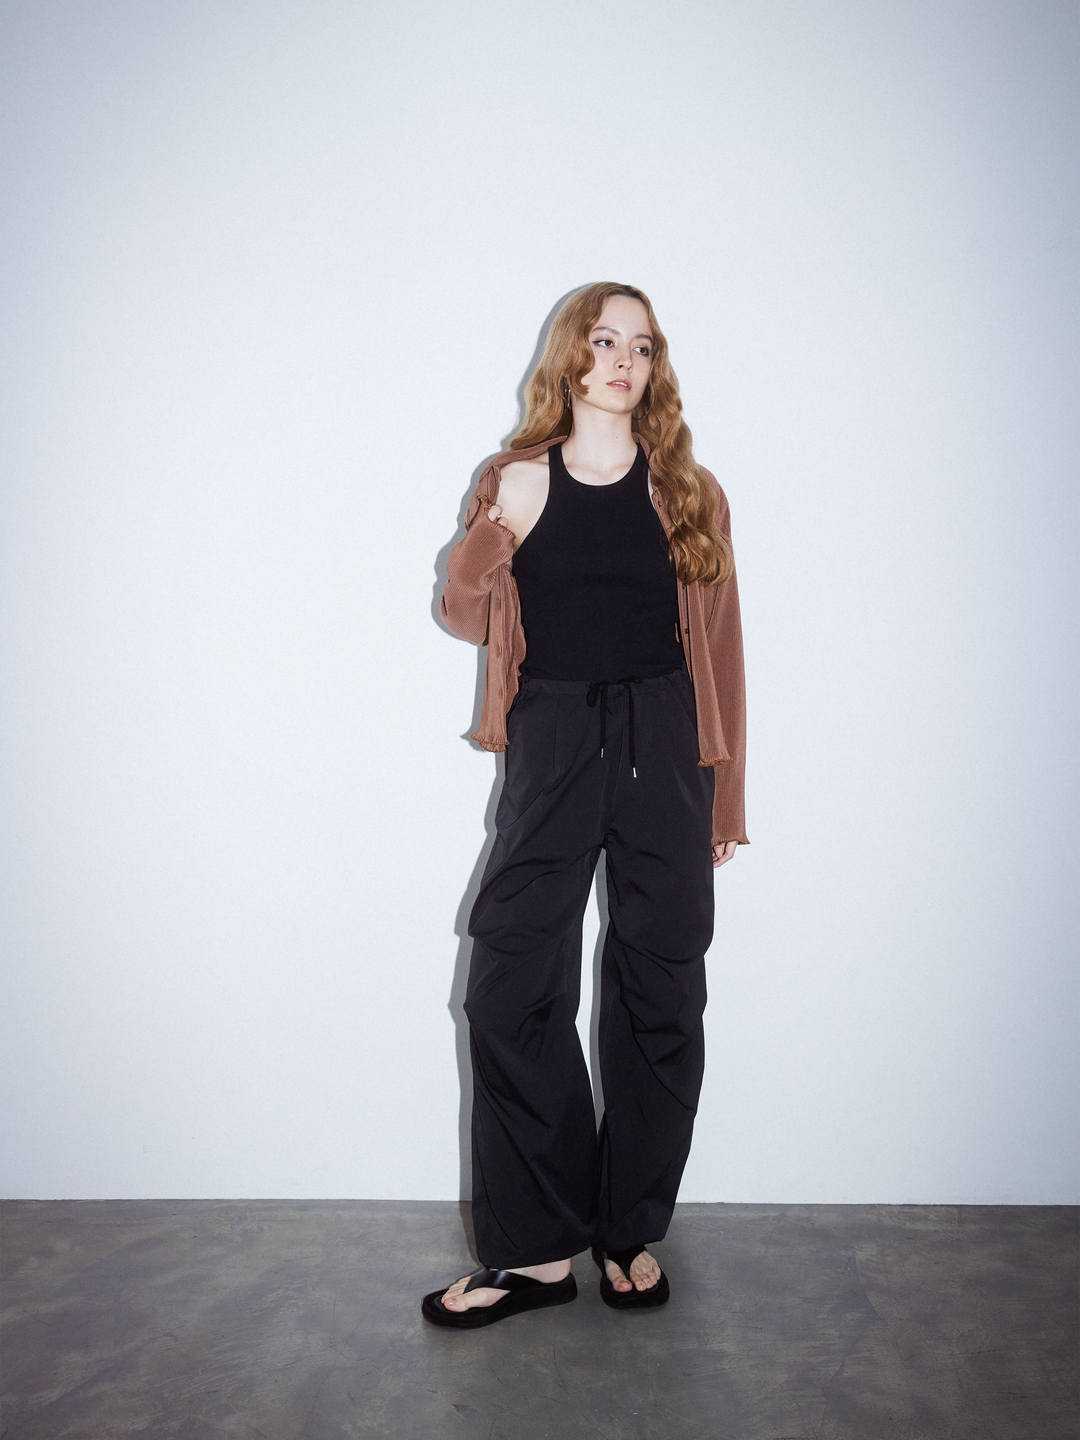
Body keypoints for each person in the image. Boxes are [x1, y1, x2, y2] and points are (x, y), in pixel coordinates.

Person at [422, 282, 747, 1329]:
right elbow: (461, 613)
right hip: (554, 737)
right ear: (569, 356)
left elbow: (722, 654)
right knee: (508, 984)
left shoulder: (688, 489)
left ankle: (626, 1229)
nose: (622, 362)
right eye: (604, 342)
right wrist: (497, 529)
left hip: (665, 742)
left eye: (641, 347)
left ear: (655, 367)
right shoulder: (513, 479)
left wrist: (724, 797)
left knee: (662, 990)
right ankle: (537, 1249)